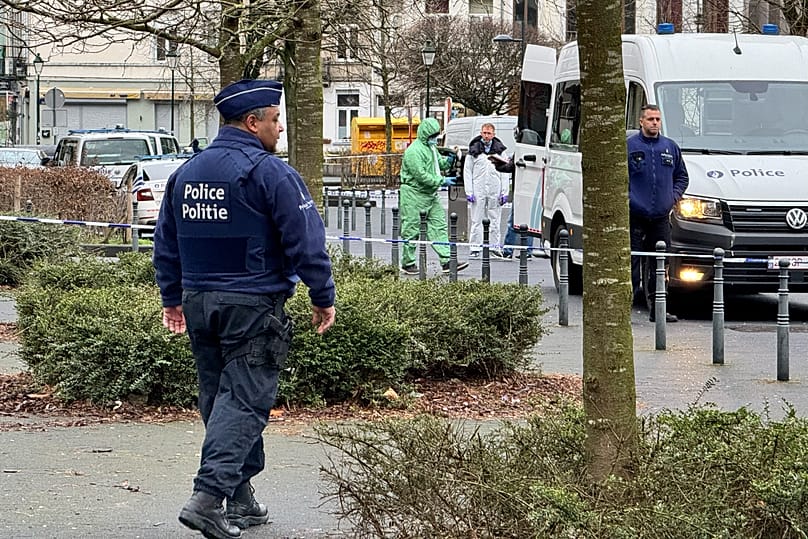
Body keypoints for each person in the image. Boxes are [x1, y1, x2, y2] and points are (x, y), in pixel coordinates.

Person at [152, 79, 336, 539]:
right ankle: (208, 497)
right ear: (253, 122)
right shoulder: (269, 172)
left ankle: (241, 499)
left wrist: (171, 298)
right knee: (245, 400)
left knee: (219, 398)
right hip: (252, 304)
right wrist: (322, 295)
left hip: (199, 301)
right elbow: (306, 241)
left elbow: (166, 242)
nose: (280, 130)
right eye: (275, 120)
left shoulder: (186, 173)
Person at [628, 104, 689, 323]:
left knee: (659, 265)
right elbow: (619, 179)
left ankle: (658, 309)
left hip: (661, 218)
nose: (655, 123)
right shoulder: (630, 146)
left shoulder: (670, 147)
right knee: (632, 265)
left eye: (658, 119)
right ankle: (626, 309)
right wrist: (629, 200)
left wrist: (672, 197)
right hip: (635, 215)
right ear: (641, 122)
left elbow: (682, 177)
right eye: (651, 119)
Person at [399, 117, 469, 275]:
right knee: (411, 228)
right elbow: (421, 176)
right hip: (413, 194)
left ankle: (447, 260)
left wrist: (450, 160)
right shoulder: (413, 152)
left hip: (430, 193)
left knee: (439, 226)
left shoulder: (431, 148)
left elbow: (439, 164)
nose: (435, 139)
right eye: (433, 135)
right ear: (426, 134)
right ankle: (407, 262)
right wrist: (442, 180)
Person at [463, 123, 508, 258]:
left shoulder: (500, 151)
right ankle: (475, 247)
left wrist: (504, 192)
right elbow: (467, 172)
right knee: (476, 219)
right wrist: (469, 191)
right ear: (481, 133)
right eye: (484, 133)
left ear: (493, 135)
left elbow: (505, 172)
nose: (486, 136)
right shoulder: (474, 151)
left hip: (495, 188)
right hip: (478, 189)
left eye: (489, 133)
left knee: (495, 219)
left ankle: (495, 247)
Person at [490, 155, 536, 259]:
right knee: (529, 221)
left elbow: (509, 167)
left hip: (521, 190)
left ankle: (508, 250)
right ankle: (527, 251)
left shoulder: (520, 153)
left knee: (513, 221)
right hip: (533, 191)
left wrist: (498, 165)